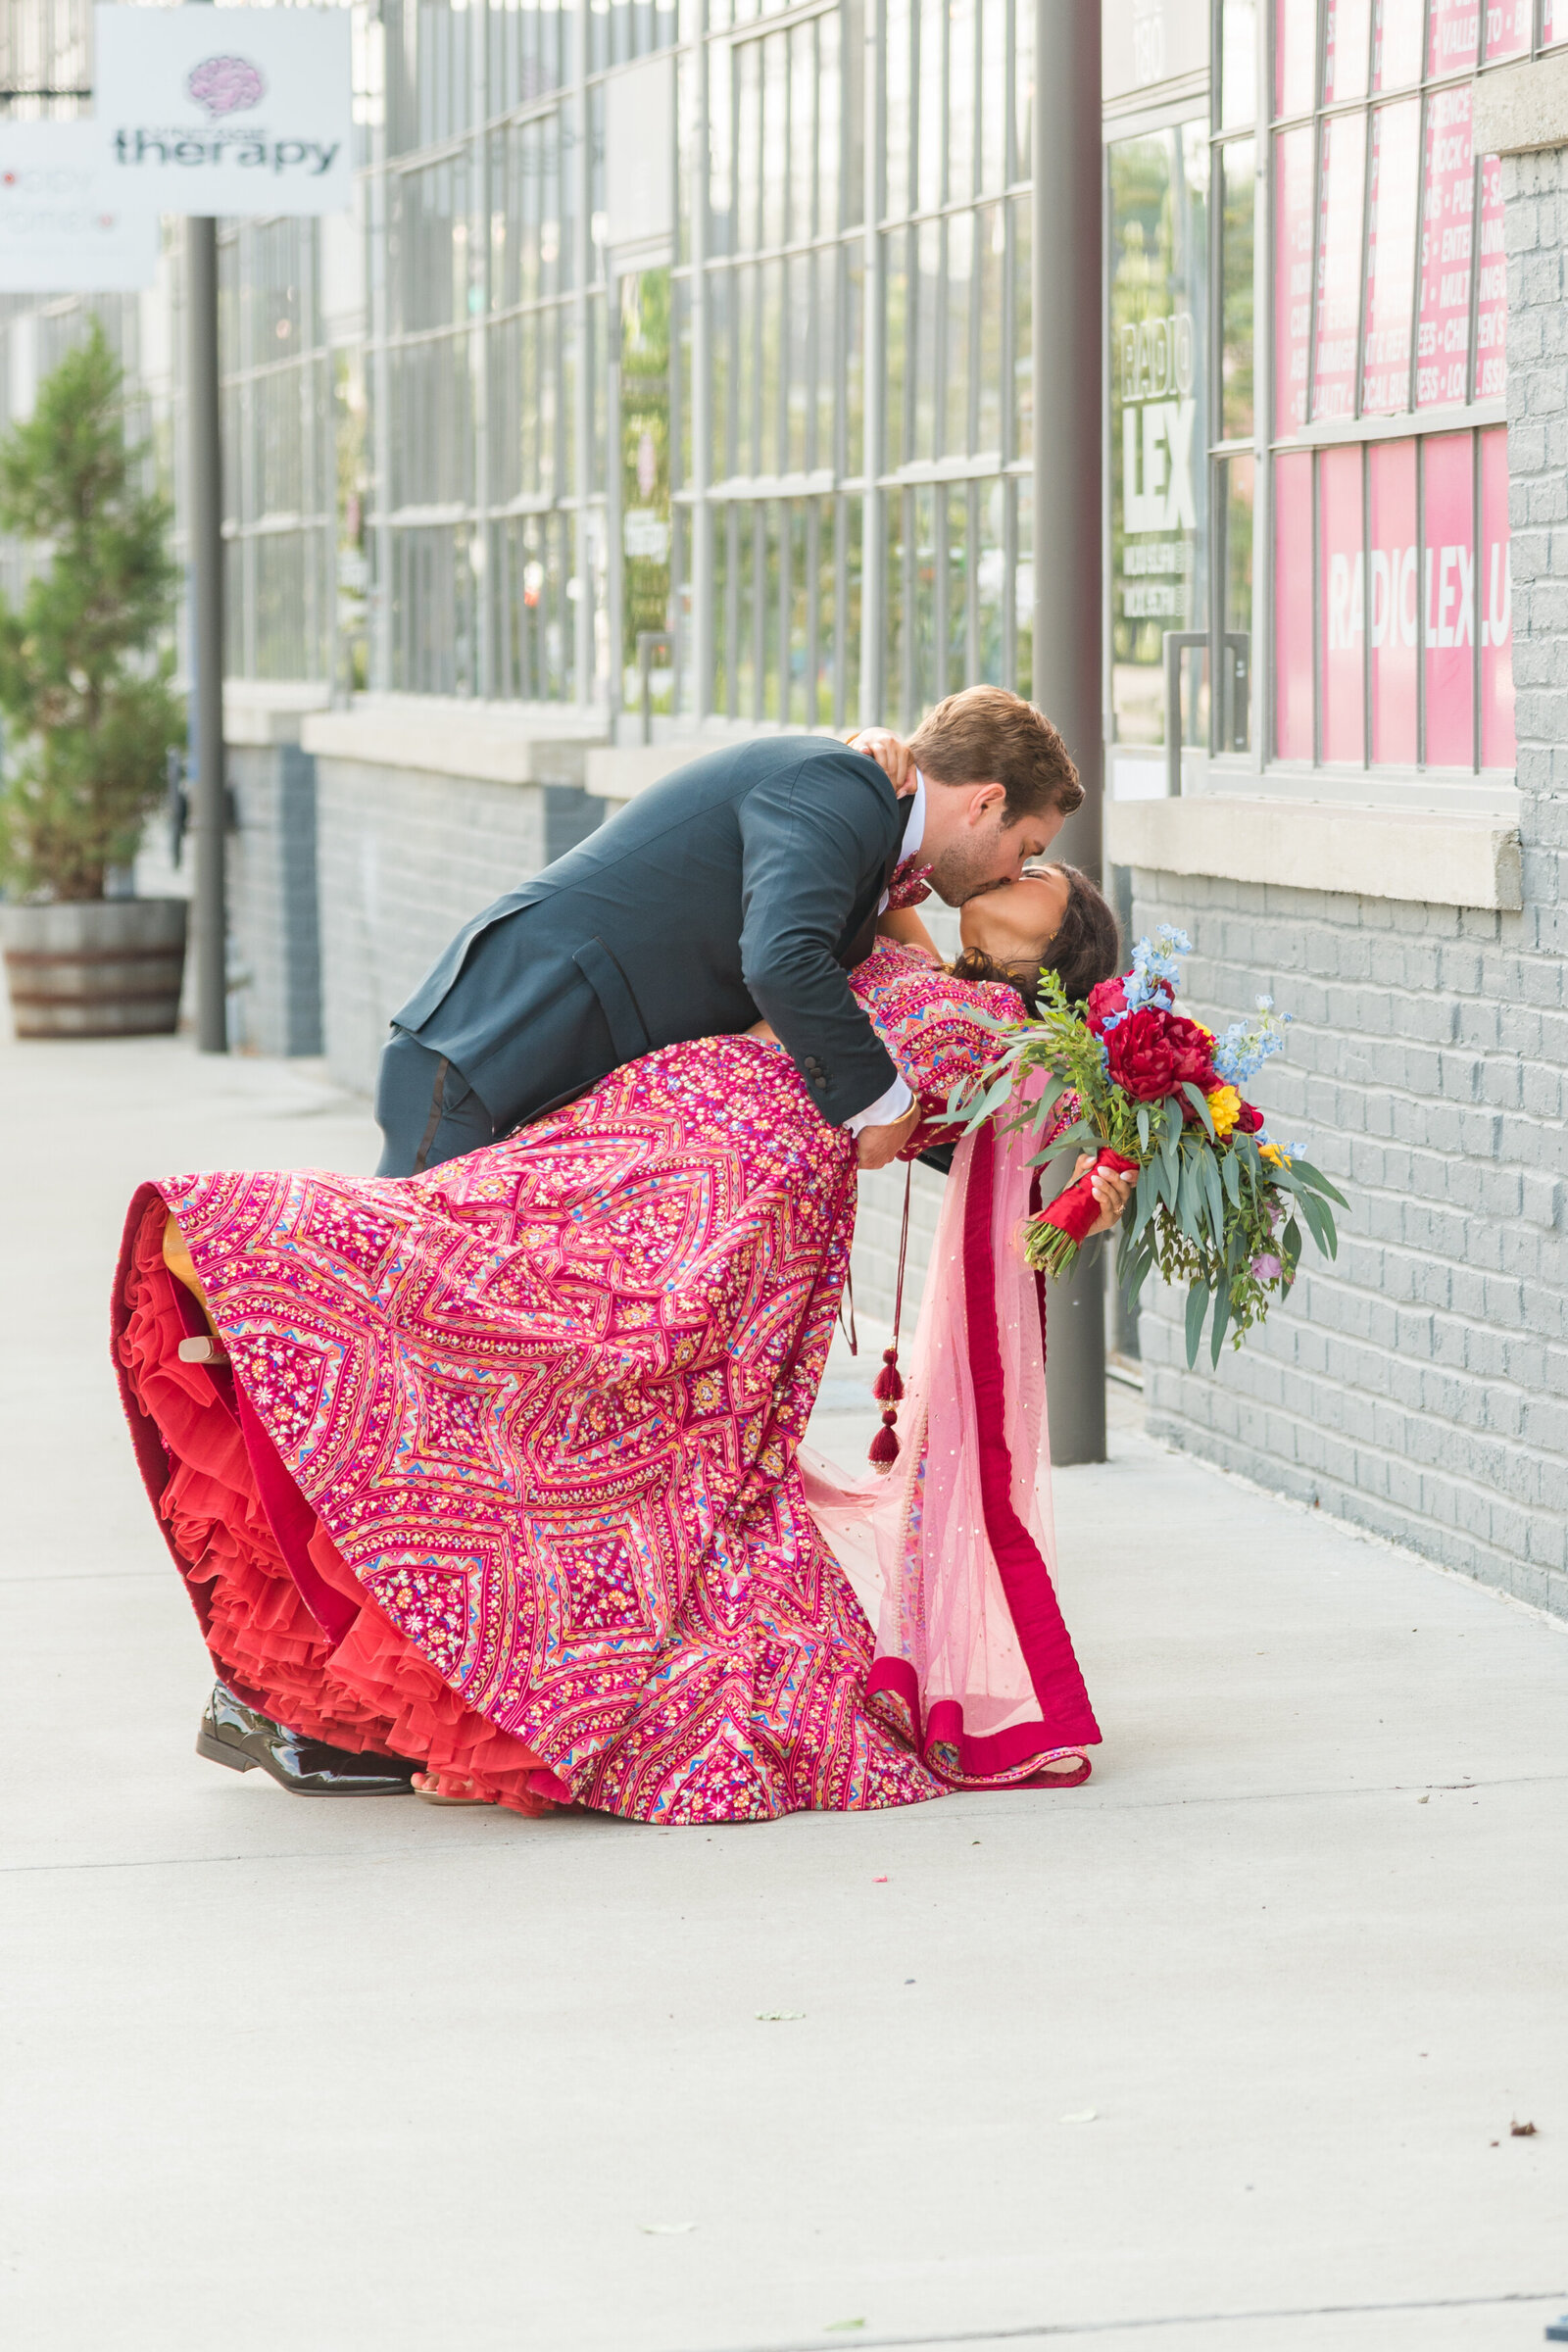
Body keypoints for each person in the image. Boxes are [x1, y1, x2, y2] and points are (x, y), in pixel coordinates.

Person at [114, 862, 1128, 1823]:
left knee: (587, 1379)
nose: (1018, 871)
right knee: (477, 1260)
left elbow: (1065, 1131)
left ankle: (524, 1711)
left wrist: (1116, 1162)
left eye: (1039, 877)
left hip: (743, 1187)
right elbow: (888, 879)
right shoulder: (923, 960)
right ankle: (274, 1279)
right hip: (654, 1117)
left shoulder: (1019, 1042)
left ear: (1060, 949)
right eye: (1023, 853)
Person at [371, 685, 1082, 1183]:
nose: (1011, 872)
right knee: (392, 1325)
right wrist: (886, 1102)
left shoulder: (867, 832)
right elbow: (781, 960)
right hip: (492, 1053)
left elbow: (907, 1023)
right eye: (1025, 849)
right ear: (987, 802)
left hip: (540, 1082)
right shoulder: (843, 789)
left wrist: (1070, 1146)